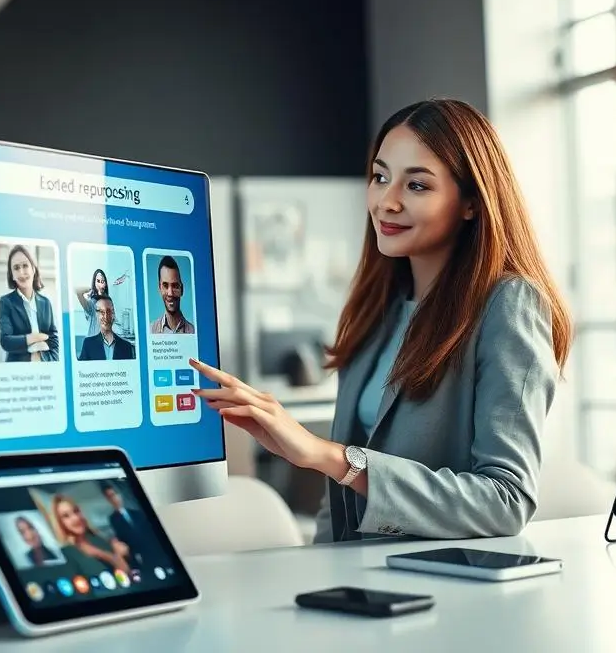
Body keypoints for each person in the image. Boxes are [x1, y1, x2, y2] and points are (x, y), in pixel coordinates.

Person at [189, 98, 573, 542]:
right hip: (364, 582)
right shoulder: (379, 309)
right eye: (380, 177)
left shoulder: (508, 303)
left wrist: (329, 457)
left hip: (449, 591)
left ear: (470, 203)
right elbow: (338, 503)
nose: (386, 202)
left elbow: (506, 502)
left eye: (417, 186)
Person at [0, 245, 59, 363]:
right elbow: (6, 341)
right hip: (19, 371)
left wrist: (49, 361)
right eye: (16, 268)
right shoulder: (6, 302)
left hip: (46, 368)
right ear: (12, 275)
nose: (21, 272)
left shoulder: (45, 303)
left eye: (25, 266)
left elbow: (54, 341)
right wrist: (37, 337)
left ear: (33, 269)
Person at [52, 493, 130, 575]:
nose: (76, 518)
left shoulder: (99, 539)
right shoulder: (66, 553)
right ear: (60, 523)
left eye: (76, 511)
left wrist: (107, 554)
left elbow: (126, 572)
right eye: (66, 516)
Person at [101, 482, 163, 568]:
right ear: (107, 500)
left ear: (119, 494)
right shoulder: (113, 519)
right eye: (110, 497)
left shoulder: (137, 513)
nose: (114, 499)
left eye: (114, 494)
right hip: (138, 555)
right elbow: (123, 538)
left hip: (153, 550)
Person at [78, 296, 136, 361]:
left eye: (109, 311)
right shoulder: (88, 344)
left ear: (113, 314)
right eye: (101, 312)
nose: (105, 316)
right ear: (96, 315)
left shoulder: (126, 346)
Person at [75, 268, 127, 338]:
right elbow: (78, 291)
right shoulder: (92, 303)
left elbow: (113, 320)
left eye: (103, 281)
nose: (101, 283)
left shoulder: (109, 301)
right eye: (98, 281)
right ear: (94, 283)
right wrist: (91, 289)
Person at [149, 256, 195, 334]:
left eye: (175, 286)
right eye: (165, 285)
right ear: (159, 289)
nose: (170, 293)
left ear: (182, 289)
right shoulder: (150, 330)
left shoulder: (194, 331)